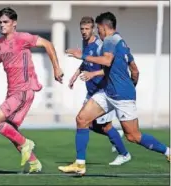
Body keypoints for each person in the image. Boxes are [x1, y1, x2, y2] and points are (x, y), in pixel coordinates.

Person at [59, 12, 170, 176]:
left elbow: (107, 61)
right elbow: (135, 70)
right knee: (82, 119)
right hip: (108, 93)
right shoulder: (122, 43)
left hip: (121, 96)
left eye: (98, 28)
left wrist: (80, 55)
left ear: (104, 27)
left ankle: (168, 151)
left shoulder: (110, 40)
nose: (98, 32)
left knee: (133, 136)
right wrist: (131, 85)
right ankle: (80, 164)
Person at [0, 7, 64, 173]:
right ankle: (35, 164)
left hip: (23, 91)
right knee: (10, 130)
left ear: (14, 23)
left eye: (6, 22)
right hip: (13, 92)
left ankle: (26, 143)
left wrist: (56, 68)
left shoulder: (23, 38)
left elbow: (48, 44)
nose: (2, 25)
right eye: (0, 22)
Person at [67, 16, 134, 166]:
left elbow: (108, 68)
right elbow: (86, 62)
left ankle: (123, 152)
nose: (84, 32)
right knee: (88, 124)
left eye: (87, 29)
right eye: (82, 29)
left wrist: (93, 74)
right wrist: (75, 74)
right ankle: (118, 141)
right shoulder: (85, 43)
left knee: (99, 125)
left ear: (93, 29)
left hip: (102, 90)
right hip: (91, 91)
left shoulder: (100, 45)